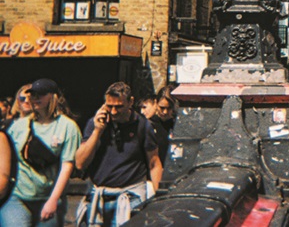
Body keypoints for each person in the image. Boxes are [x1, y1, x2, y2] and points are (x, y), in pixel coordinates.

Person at [75, 82, 162, 227]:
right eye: (110, 106)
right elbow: (80, 163)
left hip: (129, 197)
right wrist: (97, 131)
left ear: (130, 102)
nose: (114, 112)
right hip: (100, 196)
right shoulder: (95, 123)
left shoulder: (143, 126)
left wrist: (159, 200)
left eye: (119, 106)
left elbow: (154, 164)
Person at [0, 79, 81, 227]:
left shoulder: (67, 127)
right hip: (17, 196)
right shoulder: (18, 126)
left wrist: (53, 200)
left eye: (41, 94)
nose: (35, 98)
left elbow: (67, 167)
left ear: (54, 97)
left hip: (47, 196)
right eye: (33, 94)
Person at [138, 96, 170, 168]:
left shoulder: (163, 124)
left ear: (155, 103)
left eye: (144, 107)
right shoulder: (146, 125)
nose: (142, 112)